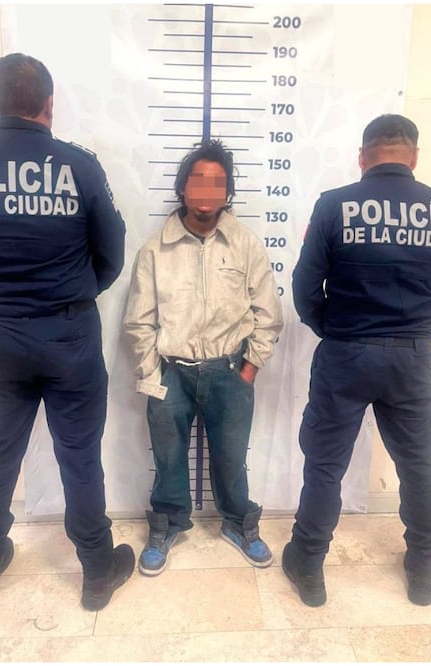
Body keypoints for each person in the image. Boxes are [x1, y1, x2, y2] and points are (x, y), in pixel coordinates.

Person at [0, 53, 131, 611]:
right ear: (49, 105)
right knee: (79, 455)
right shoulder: (78, 166)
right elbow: (112, 255)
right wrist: (70, 295)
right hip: (69, 334)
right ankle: (96, 572)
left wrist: (5, 295)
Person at [285, 114, 431, 607]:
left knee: (325, 466)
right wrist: (417, 327)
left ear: (362, 157)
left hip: (345, 354)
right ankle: (423, 575)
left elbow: (304, 287)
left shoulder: (334, 205)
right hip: (410, 359)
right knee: (418, 467)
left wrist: (335, 329)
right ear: (414, 156)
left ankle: (309, 568)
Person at [122, 139, 283, 576]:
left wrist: (250, 367)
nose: (207, 190)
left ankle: (238, 523)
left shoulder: (245, 245)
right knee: (168, 457)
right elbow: (138, 320)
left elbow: (268, 313)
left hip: (231, 372)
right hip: (171, 374)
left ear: (228, 191)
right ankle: (167, 524)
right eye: (198, 180)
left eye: (217, 182)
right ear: (183, 188)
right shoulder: (156, 250)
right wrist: (152, 372)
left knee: (232, 457)